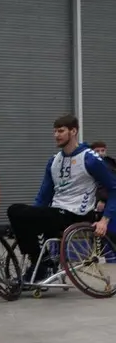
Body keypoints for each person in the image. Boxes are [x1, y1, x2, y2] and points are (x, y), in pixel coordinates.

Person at [7, 115, 116, 282]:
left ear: (73, 131)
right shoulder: (54, 161)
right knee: (15, 211)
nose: (56, 135)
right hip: (56, 211)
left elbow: (113, 188)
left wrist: (105, 220)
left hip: (77, 214)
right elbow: (43, 195)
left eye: (61, 131)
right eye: (54, 131)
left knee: (25, 216)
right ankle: (40, 262)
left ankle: (41, 267)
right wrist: (30, 215)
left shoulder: (89, 159)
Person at [89, 141, 116, 214]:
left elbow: (110, 184)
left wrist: (103, 200)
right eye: (97, 151)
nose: (100, 153)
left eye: (102, 150)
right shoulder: (88, 165)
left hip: (107, 201)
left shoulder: (111, 164)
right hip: (91, 200)